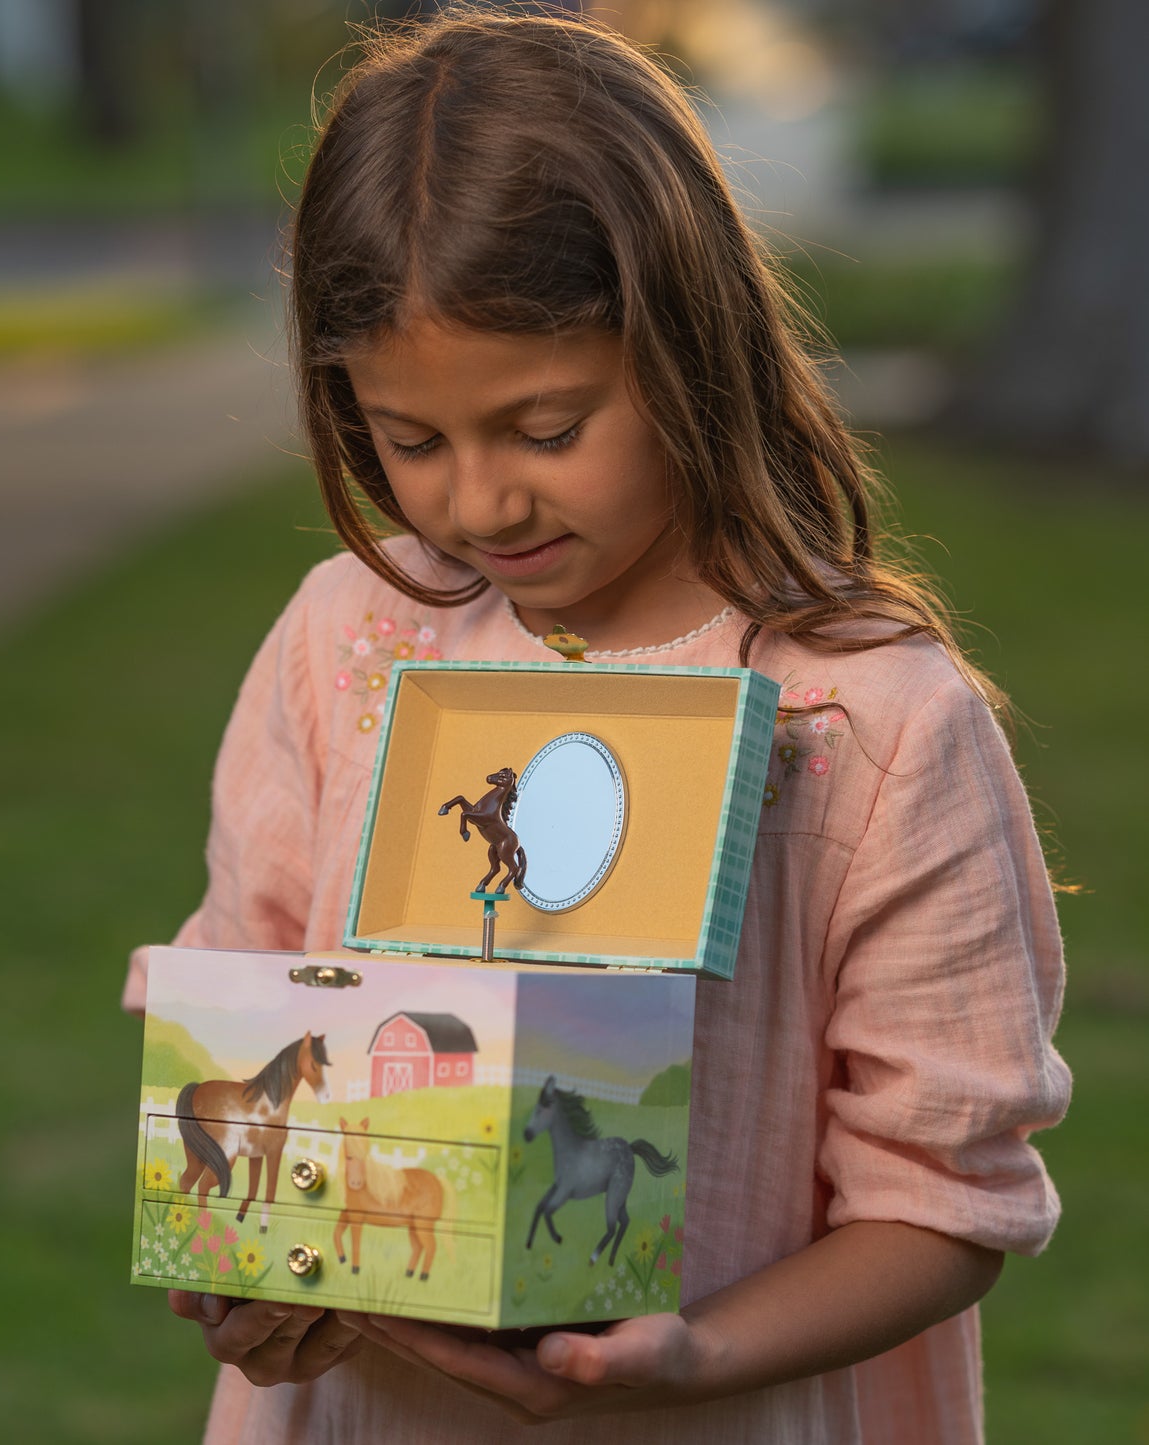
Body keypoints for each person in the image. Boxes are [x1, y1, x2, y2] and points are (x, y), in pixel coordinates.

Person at [121, 10, 1070, 1442]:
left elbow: (943, 1193)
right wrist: (246, 1273)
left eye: (546, 428)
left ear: (688, 346)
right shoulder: (345, 643)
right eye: (410, 437)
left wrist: (692, 1353)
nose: (478, 503)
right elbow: (245, 1015)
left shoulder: (872, 717)